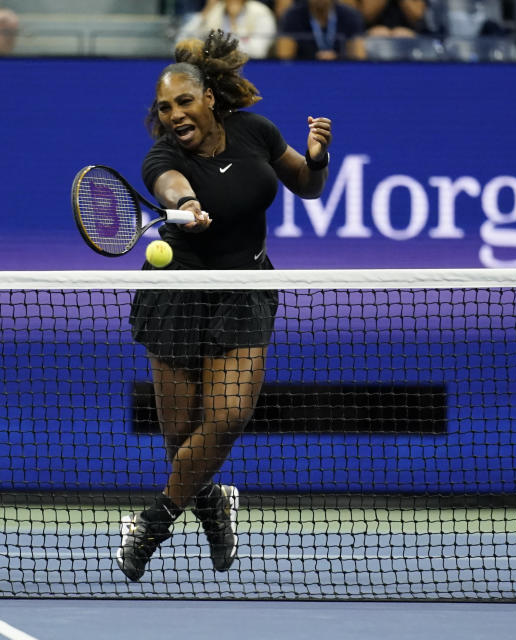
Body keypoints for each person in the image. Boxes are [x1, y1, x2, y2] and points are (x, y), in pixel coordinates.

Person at [118, 30, 332, 582]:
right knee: (181, 437)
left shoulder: (255, 132)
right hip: (178, 292)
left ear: (209, 98)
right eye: (165, 108)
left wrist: (318, 158)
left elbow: (306, 185)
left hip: (246, 287)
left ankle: (153, 522)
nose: (174, 115)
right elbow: (167, 185)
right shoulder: (161, 157)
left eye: (184, 102)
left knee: (229, 417)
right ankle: (212, 503)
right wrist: (186, 201)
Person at [175, 0, 278, 59]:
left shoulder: (261, 13)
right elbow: (181, 42)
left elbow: (258, 52)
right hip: (215, 67)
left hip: (250, 67)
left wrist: (234, 23)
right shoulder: (215, 11)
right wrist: (204, 14)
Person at [276, 0, 367, 60]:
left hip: (341, 72)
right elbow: (284, 58)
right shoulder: (292, 16)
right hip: (304, 72)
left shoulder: (350, 16)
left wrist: (339, 58)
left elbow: (359, 57)